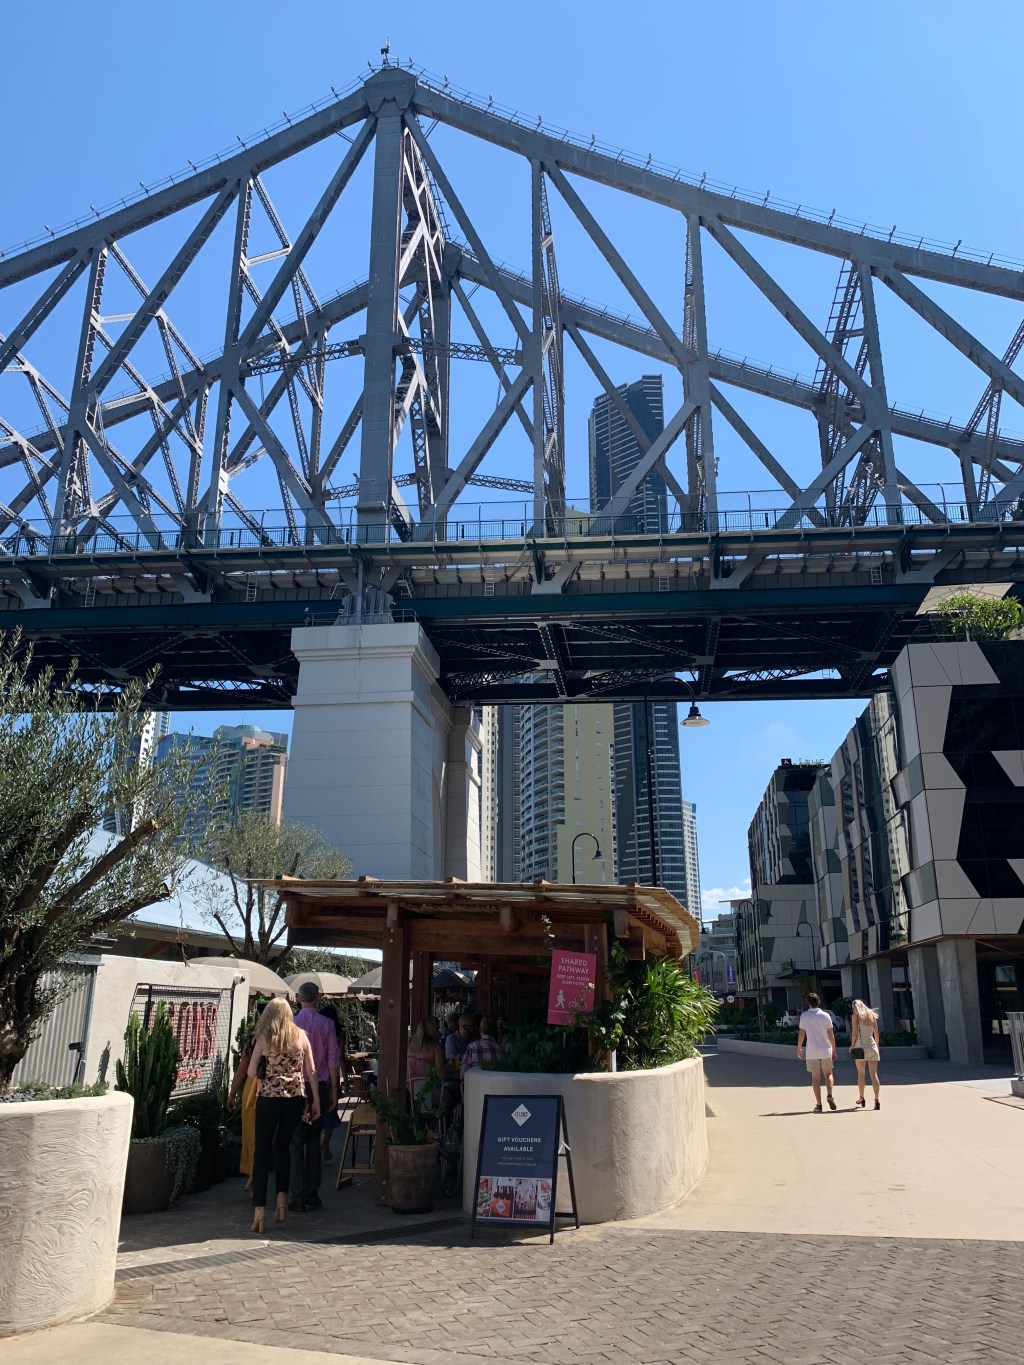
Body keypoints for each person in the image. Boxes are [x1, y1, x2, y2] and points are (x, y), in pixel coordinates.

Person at [247, 998, 320, 1233]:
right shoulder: (301, 1036)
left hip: (268, 1099)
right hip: (294, 1098)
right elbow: (312, 1070)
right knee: (283, 1147)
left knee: (262, 1150)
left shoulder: (264, 1037)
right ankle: (281, 1201)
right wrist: (315, 1099)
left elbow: (251, 1071)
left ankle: (259, 1211)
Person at [289, 982, 340, 1213]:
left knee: (295, 1141)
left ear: (298, 998)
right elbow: (333, 1060)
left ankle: (296, 1195)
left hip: (294, 1087)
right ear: (318, 998)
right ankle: (312, 1193)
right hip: (318, 1085)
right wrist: (334, 1091)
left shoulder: (291, 1025)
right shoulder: (327, 1024)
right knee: (313, 1139)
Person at [318, 1002, 350, 1162]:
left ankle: (316, 1142)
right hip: (332, 1076)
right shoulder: (338, 1035)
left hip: (317, 1075)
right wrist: (345, 1080)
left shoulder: (317, 1030)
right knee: (331, 1111)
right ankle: (325, 1143)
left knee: (316, 1111)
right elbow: (340, 1059)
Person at [796, 992, 837, 1113]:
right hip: (825, 1049)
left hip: (812, 1051)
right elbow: (831, 1034)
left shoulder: (804, 1016)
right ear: (819, 1002)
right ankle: (829, 1095)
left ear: (808, 1003)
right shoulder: (825, 1015)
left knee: (815, 1078)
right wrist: (834, 1049)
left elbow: (802, 1033)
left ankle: (819, 1105)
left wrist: (799, 1048)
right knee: (828, 1074)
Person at [849, 998, 882, 1110]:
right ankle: (877, 1100)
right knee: (874, 1075)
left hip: (860, 1047)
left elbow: (854, 1033)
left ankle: (862, 1097)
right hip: (872, 1046)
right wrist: (876, 1045)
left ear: (855, 1007)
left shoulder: (856, 1017)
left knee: (861, 1074)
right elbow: (876, 1033)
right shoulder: (871, 1015)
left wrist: (852, 1045)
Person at [407, 1016, 446, 1103]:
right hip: (427, 1091)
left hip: (408, 1090)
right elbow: (441, 1075)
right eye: (438, 1027)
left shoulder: (410, 1043)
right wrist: (450, 1068)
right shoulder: (436, 1047)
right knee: (450, 1098)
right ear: (434, 1029)